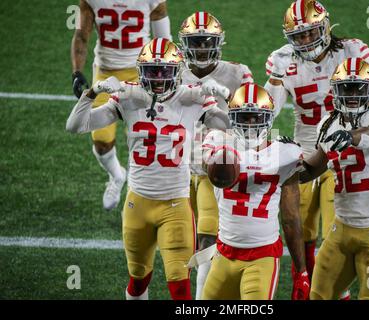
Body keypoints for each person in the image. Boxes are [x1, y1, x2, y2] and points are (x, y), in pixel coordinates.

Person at [66, 39, 231, 300]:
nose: (158, 78)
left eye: (164, 70)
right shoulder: (129, 97)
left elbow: (238, 128)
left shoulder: (192, 98)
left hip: (175, 205)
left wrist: (226, 97)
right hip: (137, 204)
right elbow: (75, 126)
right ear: (141, 71)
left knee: (180, 289)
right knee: (138, 282)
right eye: (152, 70)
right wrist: (92, 93)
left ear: (177, 71)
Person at [264, 0, 369, 294]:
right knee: (299, 229)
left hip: (347, 148)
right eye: (298, 35)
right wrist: (260, 137)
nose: (305, 39)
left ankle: (337, 287)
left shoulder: (351, 53)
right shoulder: (282, 61)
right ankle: (303, 279)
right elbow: (269, 108)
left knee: (336, 223)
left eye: (310, 32)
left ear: (325, 27)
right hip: (309, 148)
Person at [299, 58, 369, 299]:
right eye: (347, 87)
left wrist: (354, 136)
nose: (353, 94)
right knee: (319, 295)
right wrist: (282, 169)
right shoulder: (328, 124)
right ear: (335, 91)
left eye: (359, 87)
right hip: (341, 228)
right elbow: (313, 167)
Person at [197, 83, 310, 300]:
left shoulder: (285, 153)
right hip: (224, 252)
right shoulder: (218, 142)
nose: (250, 123)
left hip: (262, 255)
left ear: (268, 119)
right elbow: (206, 165)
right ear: (233, 117)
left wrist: (301, 270)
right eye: (245, 116)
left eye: (256, 117)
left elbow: (291, 218)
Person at [178, 11, 254, 300]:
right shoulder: (169, 70)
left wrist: (223, 93)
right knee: (180, 245)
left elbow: (254, 117)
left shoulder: (236, 73)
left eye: (206, 41)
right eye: (195, 42)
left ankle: (202, 300)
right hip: (177, 167)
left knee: (209, 238)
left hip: (216, 168)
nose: (200, 48)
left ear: (218, 42)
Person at [71, 0, 172, 210]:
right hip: (106, 73)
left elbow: (164, 40)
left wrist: (166, 74)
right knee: (101, 140)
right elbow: (81, 35)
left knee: (147, 136)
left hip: (143, 73)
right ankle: (116, 176)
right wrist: (77, 72)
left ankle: (143, 192)